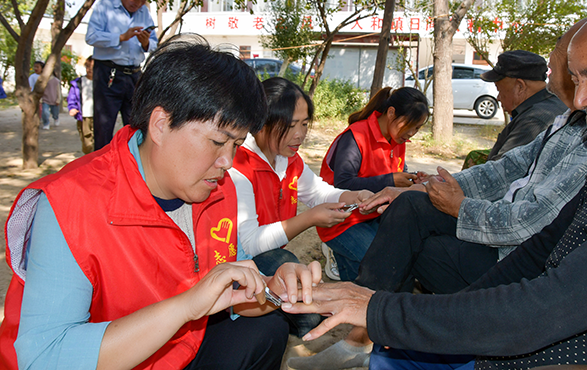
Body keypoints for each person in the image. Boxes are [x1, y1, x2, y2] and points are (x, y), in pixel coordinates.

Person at [285, 1, 587, 370]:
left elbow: (550, 302)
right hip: (536, 327)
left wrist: (383, 310)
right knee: (399, 348)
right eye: (574, 77)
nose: (579, 99)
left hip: (575, 348)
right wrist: (408, 316)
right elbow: (537, 252)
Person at [0, 35, 321, 370]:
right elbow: (42, 357)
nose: (227, 161)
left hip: (177, 350)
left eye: (237, 145)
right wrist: (186, 306)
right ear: (160, 124)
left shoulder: (219, 190)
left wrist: (273, 289)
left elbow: (232, 296)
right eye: (217, 142)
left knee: (265, 328)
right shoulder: (70, 204)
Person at [229, 76, 372, 336]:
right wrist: (309, 219)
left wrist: (355, 196)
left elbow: (318, 192)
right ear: (261, 123)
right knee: (297, 295)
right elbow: (248, 244)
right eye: (290, 125)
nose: (301, 134)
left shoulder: (287, 158)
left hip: (268, 253)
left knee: (305, 306)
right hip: (241, 259)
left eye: (305, 124)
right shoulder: (238, 165)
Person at [318, 86, 429, 281]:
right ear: (391, 112)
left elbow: (393, 172)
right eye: (410, 124)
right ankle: (337, 253)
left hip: (373, 217)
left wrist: (409, 180)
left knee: (401, 258)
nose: (412, 133)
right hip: (341, 221)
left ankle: (345, 267)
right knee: (379, 262)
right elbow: (342, 184)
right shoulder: (356, 136)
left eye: (418, 128)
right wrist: (391, 180)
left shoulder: (397, 139)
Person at [86, 0, 158, 151]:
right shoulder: (105, 7)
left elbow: (154, 44)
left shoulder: (144, 13)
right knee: (103, 126)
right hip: (108, 74)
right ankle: (102, 172)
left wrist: (145, 42)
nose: (138, 4)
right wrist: (120, 37)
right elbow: (91, 36)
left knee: (137, 125)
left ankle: (135, 169)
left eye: (143, 0)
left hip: (134, 75)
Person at [462, 50, 567, 168]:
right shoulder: (552, 104)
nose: (498, 98)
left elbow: (499, 172)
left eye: (499, 90)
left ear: (520, 87)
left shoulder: (534, 121)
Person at [67, 56, 95, 153]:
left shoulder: (101, 82)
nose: (90, 69)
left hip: (98, 116)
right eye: (88, 67)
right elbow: (72, 97)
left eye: (93, 67)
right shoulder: (78, 83)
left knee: (100, 140)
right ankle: (89, 158)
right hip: (84, 117)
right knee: (87, 141)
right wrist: (72, 108)